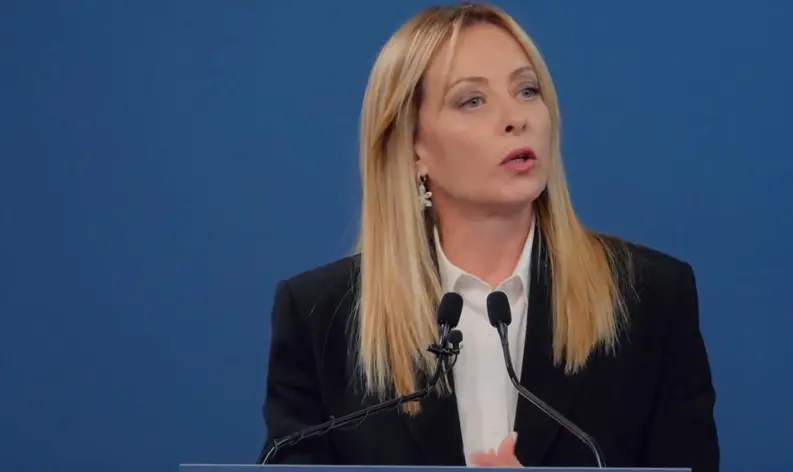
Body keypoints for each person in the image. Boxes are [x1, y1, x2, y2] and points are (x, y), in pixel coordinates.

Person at [259, 2, 719, 471]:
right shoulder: (322, 318)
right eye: (472, 100)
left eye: (527, 90)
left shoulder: (649, 298)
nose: (516, 118)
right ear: (413, 148)